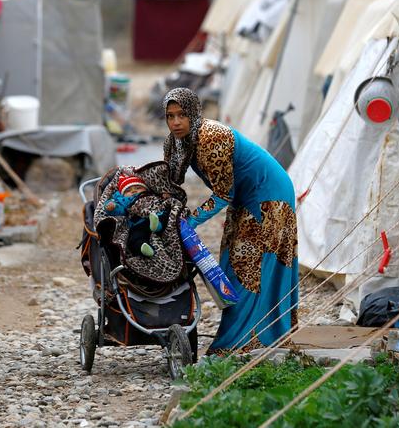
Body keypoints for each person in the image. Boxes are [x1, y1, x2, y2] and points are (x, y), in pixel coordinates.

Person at [162, 87, 298, 354]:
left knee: (249, 268)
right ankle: (245, 336)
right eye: (170, 116)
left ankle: (248, 341)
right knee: (231, 265)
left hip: (269, 195)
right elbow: (169, 182)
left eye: (182, 115)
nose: (176, 122)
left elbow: (224, 193)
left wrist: (191, 220)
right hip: (245, 198)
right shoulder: (177, 142)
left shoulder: (211, 136)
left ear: (194, 113)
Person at [103, 174, 168, 257]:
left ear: (146, 188)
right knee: (134, 239)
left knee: (165, 214)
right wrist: (111, 207)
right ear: (123, 195)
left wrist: (164, 195)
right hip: (138, 224)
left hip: (154, 215)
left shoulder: (150, 194)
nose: (134, 191)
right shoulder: (125, 201)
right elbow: (119, 210)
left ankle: (157, 225)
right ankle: (143, 248)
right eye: (128, 190)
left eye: (138, 188)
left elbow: (161, 200)